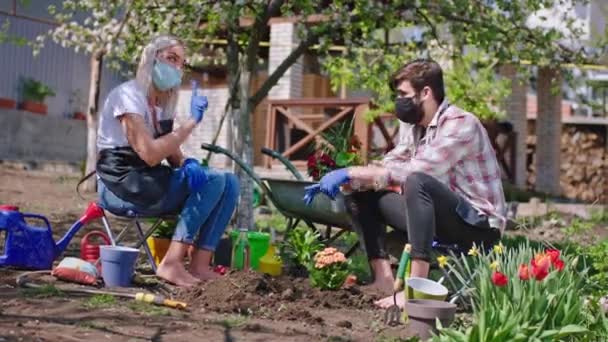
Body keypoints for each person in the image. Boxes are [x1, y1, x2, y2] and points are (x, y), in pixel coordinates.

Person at [304, 59, 506, 307]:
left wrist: (352, 170)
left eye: (403, 94)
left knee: (417, 181)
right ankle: (383, 280)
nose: (398, 100)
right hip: (438, 216)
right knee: (361, 191)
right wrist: (351, 179)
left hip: (477, 226)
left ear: (426, 93)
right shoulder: (415, 128)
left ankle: (415, 291)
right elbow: (391, 163)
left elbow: (418, 170)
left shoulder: (461, 124)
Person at [95, 35, 240, 287]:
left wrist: (186, 163)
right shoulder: (128, 95)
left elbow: (169, 151)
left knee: (230, 182)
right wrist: (191, 123)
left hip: (147, 179)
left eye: (181, 63)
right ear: (151, 58)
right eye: (171, 59)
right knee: (213, 180)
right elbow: (150, 153)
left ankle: (199, 265)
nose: (176, 68)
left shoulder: (162, 104)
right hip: (120, 183)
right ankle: (171, 263)